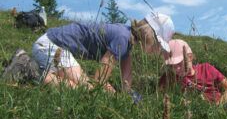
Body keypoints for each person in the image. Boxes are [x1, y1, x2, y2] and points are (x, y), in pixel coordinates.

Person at [31, 12, 174, 92]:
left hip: (51, 46)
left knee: (82, 86)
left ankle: (39, 72)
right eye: (158, 44)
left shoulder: (127, 39)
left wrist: (128, 94)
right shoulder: (123, 38)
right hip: (51, 45)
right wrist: (105, 89)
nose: (157, 49)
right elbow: (99, 78)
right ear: (151, 35)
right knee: (87, 89)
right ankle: (30, 71)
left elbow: (126, 78)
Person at [159, 39, 227, 105]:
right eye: (171, 65)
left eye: (179, 63)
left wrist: (218, 105)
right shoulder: (169, 76)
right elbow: (158, 96)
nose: (176, 69)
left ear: (190, 57)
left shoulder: (206, 68)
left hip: (218, 108)